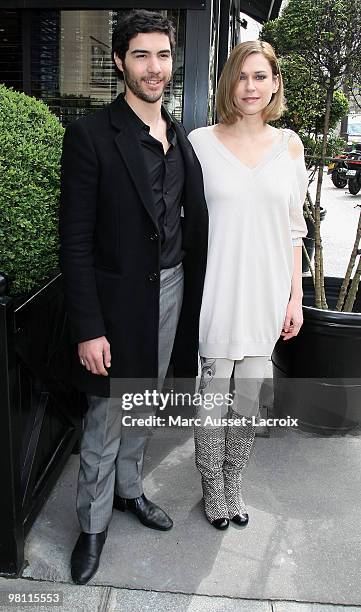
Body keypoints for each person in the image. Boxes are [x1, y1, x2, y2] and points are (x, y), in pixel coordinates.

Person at [59, 9, 208, 584]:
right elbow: (73, 241)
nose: (154, 67)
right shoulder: (92, 135)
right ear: (120, 61)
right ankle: (91, 525)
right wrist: (88, 327)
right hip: (115, 301)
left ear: (174, 62)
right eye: (141, 55)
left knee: (146, 400)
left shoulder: (180, 139)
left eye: (163, 55)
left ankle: (128, 492)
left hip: (170, 288)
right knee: (104, 416)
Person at [188, 40, 307, 530]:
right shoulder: (198, 142)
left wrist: (295, 297)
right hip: (216, 291)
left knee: (248, 397)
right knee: (213, 395)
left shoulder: (291, 145)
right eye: (241, 76)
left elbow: (295, 227)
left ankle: (234, 482)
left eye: (260, 76)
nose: (250, 86)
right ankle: (211, 487)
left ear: (275, 83)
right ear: (228, 84)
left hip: (267, 292)